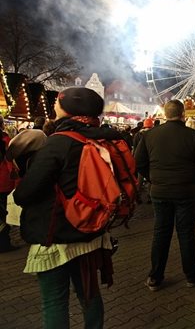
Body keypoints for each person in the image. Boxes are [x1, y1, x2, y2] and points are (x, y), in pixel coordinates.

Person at [13, 87, 122, 328]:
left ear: (70, 109)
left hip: (57, 233)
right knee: (90, 295)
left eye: (57, 104)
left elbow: (26, 193)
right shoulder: (104, 138)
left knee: (55, 301)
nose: (53, 107)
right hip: (92, 230)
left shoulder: (59, 143)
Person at [134, 100, 195, 291]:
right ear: (183, 113)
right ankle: (191, 275)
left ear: (165, 114)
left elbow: (138, 162)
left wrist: (152, 178)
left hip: (160, 191)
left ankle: (155, 276)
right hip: (185, 191)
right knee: (186, 234)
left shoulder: (150, 135)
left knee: (160, 233)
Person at [0, 116, 17, 253]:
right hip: (3, 180)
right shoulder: (4, 139)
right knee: (2, 212)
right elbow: (9, 160)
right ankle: (4, 242)